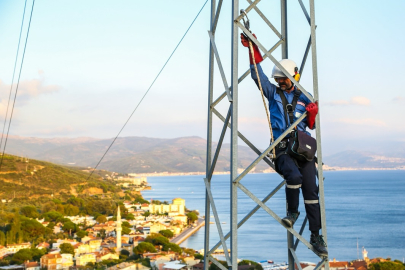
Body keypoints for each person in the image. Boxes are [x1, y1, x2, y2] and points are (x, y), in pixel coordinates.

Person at [240, 33, 328, 256]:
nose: (281, 83)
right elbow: (257, 76)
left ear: (294, 76)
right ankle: (292, 213)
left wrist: (312, 113)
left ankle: (316, 235)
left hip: (302, 147)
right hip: (282, 147)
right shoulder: (273, 94)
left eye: (284, 80)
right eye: (279, 80)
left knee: (311, 193)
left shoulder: (305, 96)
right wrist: (253, 51)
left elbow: (312, 124)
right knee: (294, 177)